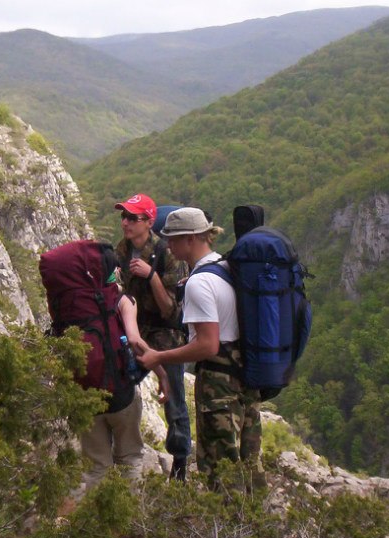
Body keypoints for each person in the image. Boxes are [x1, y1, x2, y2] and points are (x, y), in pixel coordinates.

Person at [135, 207, 263, 489]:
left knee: (220, 469)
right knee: (249, 465)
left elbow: (207, 344)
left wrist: (159, 356)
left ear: (191, 238)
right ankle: (251, 516)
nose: (168, 244)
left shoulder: (199, 282)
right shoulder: (225, 266)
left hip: (219, 385)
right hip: (245, 376)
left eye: (173, 238)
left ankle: (225, 517)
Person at [39, 239, 168, 498]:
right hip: (120, 394)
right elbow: (136, 342)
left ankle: (99, 518)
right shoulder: (122, 301)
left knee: (96, 466)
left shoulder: (67, 305)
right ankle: (130, 516)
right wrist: (163, 375)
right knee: (130, 457)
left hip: (85, 397)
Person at [114, 193, 192, 481]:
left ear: (149, 222)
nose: (125, 222)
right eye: (123, 216)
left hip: (165, 332)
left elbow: (170, 310)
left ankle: (180, 465)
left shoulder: (167, 253)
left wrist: (151, 276)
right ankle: (119, 451)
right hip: (134, 330)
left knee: (174, 400)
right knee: (118, 384)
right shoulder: (121, 250)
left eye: (132, 218)